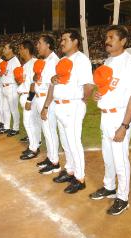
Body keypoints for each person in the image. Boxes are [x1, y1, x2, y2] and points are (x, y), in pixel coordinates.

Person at [89, 25, 131, 215]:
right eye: (106, 36)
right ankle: (109, 187)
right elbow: (106, 87)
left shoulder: (130, 64)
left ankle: (123, 197)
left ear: (123, 41)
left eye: (111, 37)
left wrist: (124, 126)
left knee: (120, 159)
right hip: (106, 115)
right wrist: (97, 95)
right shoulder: (108, 61)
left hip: (120, 116)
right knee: (108, 156)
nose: (107, 40)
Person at [41, 29, 94, 194]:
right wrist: (52, 81)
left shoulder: (82, 60)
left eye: (65, 39)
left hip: (73, 105)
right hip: (59, 106)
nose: (61, 42)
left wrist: (81, 101)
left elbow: (89, 86)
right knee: (66, 142)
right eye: (61, 39)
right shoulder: (62, 60)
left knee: (74, 142)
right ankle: (70, 170)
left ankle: (80, 178)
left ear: (75, 41)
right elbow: (54, 83)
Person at [30, 35, 60, 173]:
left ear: (48, 45)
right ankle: (50, 157)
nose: (37, 46)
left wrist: (46, 106)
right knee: (46, 131)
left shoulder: (54, 61)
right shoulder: (44, 61)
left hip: (48, 100)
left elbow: (52, 86)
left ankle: (55, 163)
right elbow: (38, 79)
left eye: (39, 43)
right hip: (39, 97)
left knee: (50, 131)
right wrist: (35, 76)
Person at [16, 40, 41, 160]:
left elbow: (34, 83)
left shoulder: (34, 62)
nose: (19, 51)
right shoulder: (25, 65)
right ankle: (36, 143)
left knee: (28, 122)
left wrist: (29, 100)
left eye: (21, 48)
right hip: (26, 95)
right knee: (34, 122)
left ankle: (33, 148)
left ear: (26, 49)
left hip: (30, 97)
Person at [0, 43, 21, 136]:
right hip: (4, 87)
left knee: (13, 109)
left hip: (12, 87)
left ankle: (16, 128)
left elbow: (18, 77)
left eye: (6, 48)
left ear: (11, 50)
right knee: (5, 109)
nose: (4, 50)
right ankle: (6, 127)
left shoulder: (15, 61)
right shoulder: (6, 61)